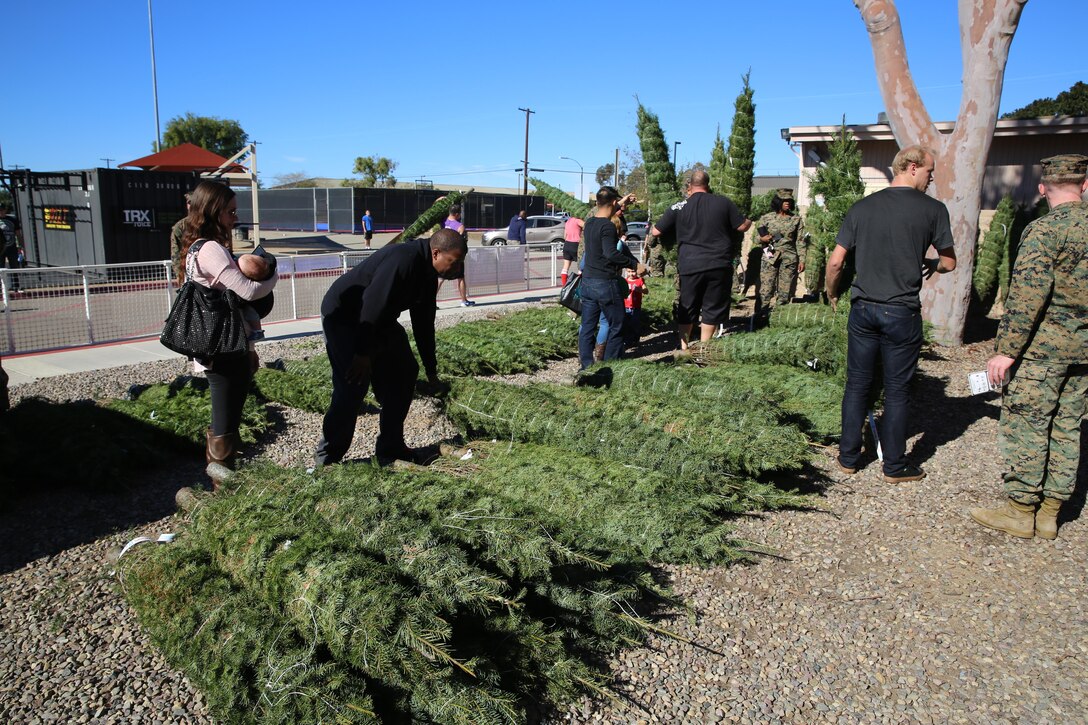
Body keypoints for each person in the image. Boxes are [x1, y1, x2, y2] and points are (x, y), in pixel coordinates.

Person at [969, 154, 1088, 540]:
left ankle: (1022, 511)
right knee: (1067, 427)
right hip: (1083, 353)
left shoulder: (1044, 231)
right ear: (1084, 186)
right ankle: (1052, 513)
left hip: (1042, 352)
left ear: (1042, 189)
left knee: (1028, 426)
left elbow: (1026, 298)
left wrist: (1007, 350)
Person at [825, 145, 957, 483]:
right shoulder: (933, 210)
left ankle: (849, 457)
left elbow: (836, 261)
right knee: (898, 389)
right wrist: (931, 264)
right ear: (913, 167)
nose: (931, 177)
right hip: (901, 312)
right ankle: (895, 466)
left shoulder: (863, 208)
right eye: (930, 170)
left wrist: (832, 292)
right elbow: (949, 262)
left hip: (864, 309)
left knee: (857, 384)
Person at [314, 227, 466, 467]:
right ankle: (328, 459)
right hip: (346, 316)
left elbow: (424, 323)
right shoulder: (403, 260)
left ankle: (390, 446)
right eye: (455, 263)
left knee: (405, 371)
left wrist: (431, 369)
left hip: (378, 320)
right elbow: (372, 304)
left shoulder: (428, 273)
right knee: (353, 384)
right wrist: (363, 354)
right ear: (436, 253)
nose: (458, 269)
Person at [181, 181, 278, 488]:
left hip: (227, 344)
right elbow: (247, 290)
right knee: (223, 420)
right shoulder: (209, 249)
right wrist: (274, 273)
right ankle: (221, 486)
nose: (235, 217)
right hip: (221, 347)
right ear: (213, 211)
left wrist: (249, 347)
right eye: (231, 211)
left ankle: (225, 476)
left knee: (230, 416)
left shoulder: (204, 245)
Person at [650, 169, 751, 349]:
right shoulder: (723, 203)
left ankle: (684, 347)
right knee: (712, 307)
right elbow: (742, 226)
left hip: (690, 264)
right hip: (718, 264)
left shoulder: (678, 207)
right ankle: (704, 348)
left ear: (690, 186)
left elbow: (656, 231)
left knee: (687, 306)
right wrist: (749, 221)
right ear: (708, 184)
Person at [578, 187, 642, 369]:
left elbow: (608, 206)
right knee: (618, 324)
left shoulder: (589, 223)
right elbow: (611, 254)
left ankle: (587, 368)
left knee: (588, 327)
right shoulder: (607, 226)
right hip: (604, 283)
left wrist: (621, 203)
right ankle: (609, 367)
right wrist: (634, 265)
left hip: (588, 283)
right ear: (614, 202)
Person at [755, 188, 806, 319]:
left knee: (785, 291)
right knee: (766, 289)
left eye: (789, 200)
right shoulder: (766, 218)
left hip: (789, 258)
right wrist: (762, 239)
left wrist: (802, 259)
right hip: (769, 255)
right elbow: (755, 238)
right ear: (778, 201)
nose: (787, 203)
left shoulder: (796, 219)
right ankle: (760, 317)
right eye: (784, 200)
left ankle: (779, 318)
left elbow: (800, 241)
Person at [235, 252, 276, 341]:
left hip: (256, 305)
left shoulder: (249, 283)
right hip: (265, 301)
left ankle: (258, 331)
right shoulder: (268, 273)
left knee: (250, 313)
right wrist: (260, 256)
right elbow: (270, 259)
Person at [439, 204, 474, 306]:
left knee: (440, 279)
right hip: (454, 256)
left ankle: (430, 301)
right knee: (461, 278)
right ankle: (464, 301)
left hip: (443, 254)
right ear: (457, 214)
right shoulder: (459, 226)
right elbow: (460, 242)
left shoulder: (443, 221)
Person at [622, 266, 648, 348]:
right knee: (626, 324)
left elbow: (646, 291)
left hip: (636, 307)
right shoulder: (625, 281)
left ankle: (635, 339)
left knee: (635, 323)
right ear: (626, 271)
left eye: (633, 271)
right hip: (626, 306)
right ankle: (627, 341)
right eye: (629, 272)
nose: (631, 274)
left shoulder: (639, 280)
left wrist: (640, 290)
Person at [1, 202, 24, 292]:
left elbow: (18, 234)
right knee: (1, 268)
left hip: (11, 247)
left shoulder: (12, 219)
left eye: (2, 210)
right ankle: (2, 288)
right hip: (1, 249)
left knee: (14, 266)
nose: (1, 212)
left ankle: (16, 286)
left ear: (5, 210)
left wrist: (21, 246)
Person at [170, 193, 192, 281]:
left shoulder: (209, 224)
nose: (192, 206)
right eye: (189, 203)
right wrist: (180, 276)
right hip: (189, 272)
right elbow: (175, 253)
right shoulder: (180, 227)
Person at [561, 214, 584, 287]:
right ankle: (579, 286)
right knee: (581, 266)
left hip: (567, 244)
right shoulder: (578, 221)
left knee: (565, 267)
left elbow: (565, 236)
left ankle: (564, 286)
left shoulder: (568, 221)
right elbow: (588, 226)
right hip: (576, 244)